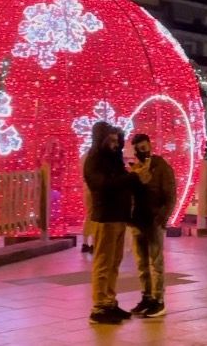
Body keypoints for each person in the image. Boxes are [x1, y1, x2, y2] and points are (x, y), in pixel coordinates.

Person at [83, 123, 139, 325]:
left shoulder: (114, 160)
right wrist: (129, 180)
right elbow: (100, 185)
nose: (116, 144)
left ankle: (109, 301)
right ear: (103, 140)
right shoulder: (95, 160)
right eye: (112, 140)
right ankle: (99, 306)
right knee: (104, 262)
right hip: (105, 216)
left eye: (118, 141)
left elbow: (121, 178)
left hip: (118, 215)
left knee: (114, 262)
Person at [127, 133, 176, 319]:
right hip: (137, 220)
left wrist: (162, 218)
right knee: (141, 263)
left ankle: (158, 300)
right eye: (138, 148)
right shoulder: (135, 168)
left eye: (144, 147)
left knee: (156, 262)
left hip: (153, 220)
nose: (142, 151)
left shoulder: (161, 167)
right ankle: (146, 297)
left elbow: (170, 194)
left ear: (150, 146)